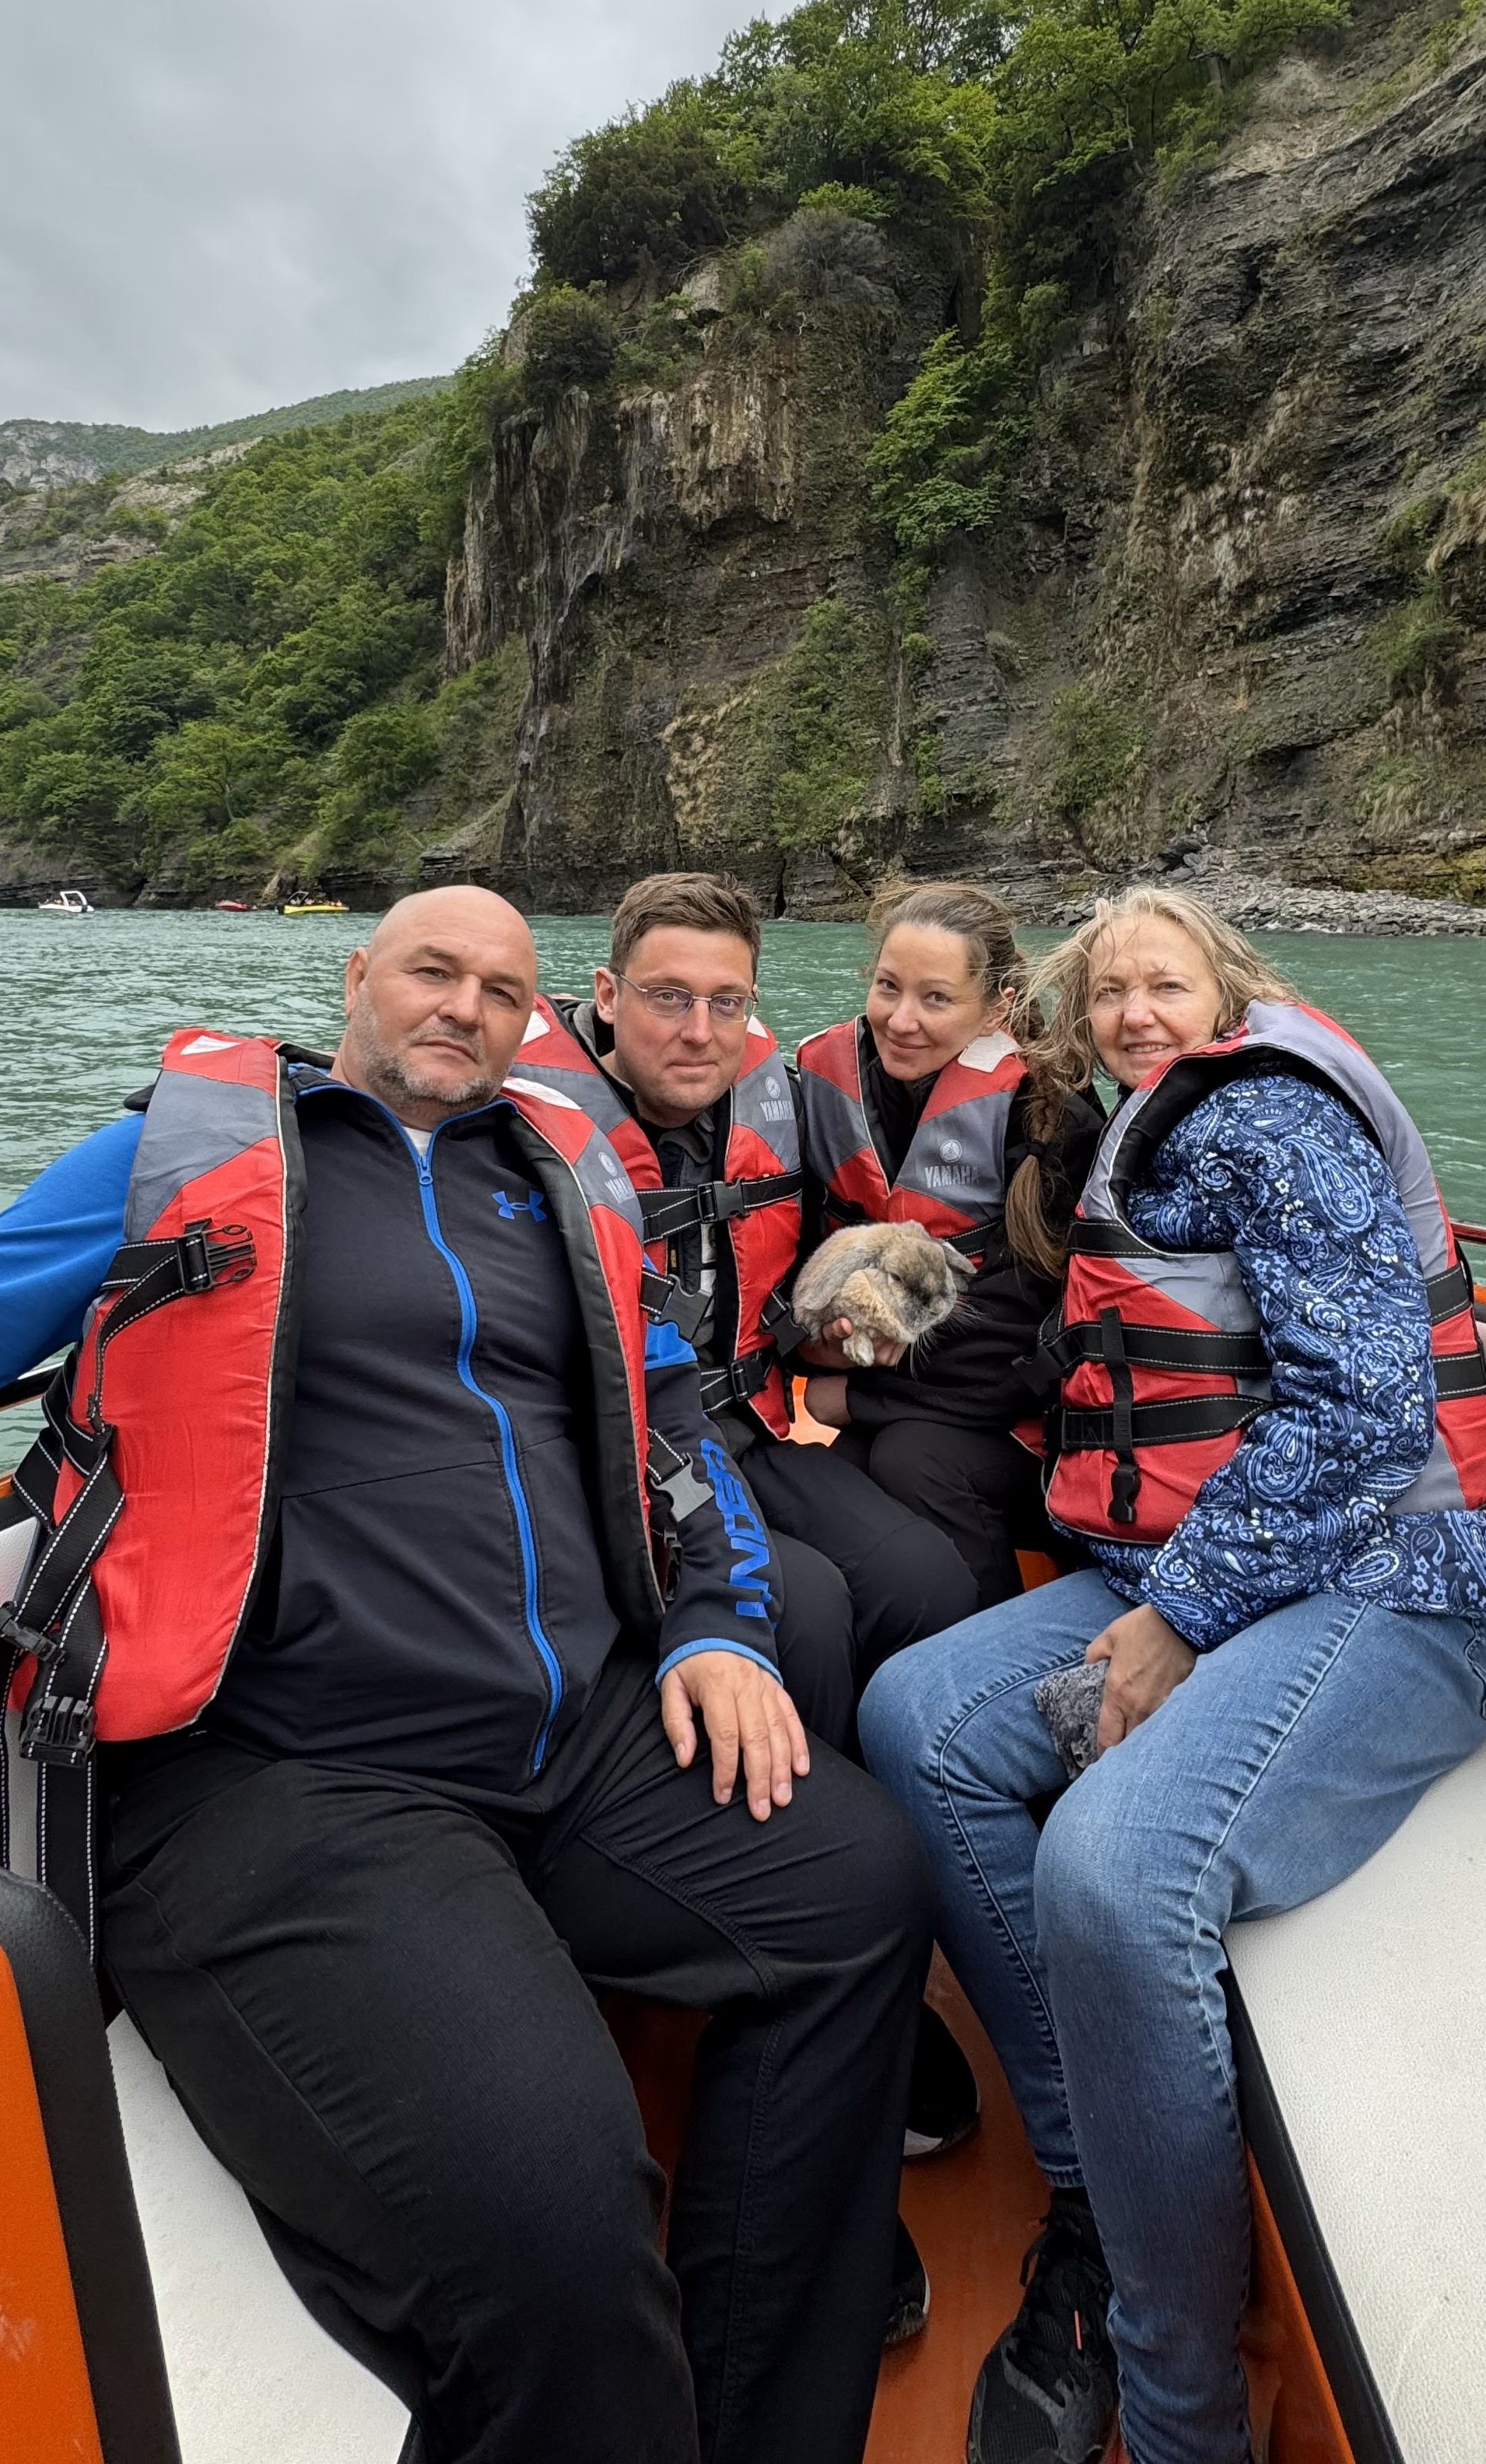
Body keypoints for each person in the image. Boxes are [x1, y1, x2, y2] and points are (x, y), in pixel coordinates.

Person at [0, 888, 935, 2464]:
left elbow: (673, 1435)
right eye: (431, 970)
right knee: (556, 2218)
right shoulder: (183, 1154)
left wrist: (719, 1627)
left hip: (571, 1735)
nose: (463, 1005)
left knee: (855, 1888)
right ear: (356, 978)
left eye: (500, 989)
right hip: (287, 1769)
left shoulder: (559, 1179)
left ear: (534, 1020)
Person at [859, 886, 1486, 2464]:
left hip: (1397, 1585)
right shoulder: (1153, 1133)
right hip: (1220, 1567)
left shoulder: (1274, 1119)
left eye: (1163, 983)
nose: (1133, 1013)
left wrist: (1181, 1613)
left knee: (1109, 1870)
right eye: (1107, 994)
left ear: (1228, 990)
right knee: (917, 1720)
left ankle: (1179, 2409)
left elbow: (1365, 1411)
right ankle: (1102, 2202)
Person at [521, 869, 983, 2301]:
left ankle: (889, 1947)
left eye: (727, 1002)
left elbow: (894, 1163)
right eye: (669, 997)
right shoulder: (523, 1117)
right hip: (616, 1456)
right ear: (605, 995)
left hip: (749, 1414)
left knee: (927, 1577)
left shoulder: (777, 1098)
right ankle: (782, 1955)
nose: (700, 1028)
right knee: (810, 1606)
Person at [794, 879, 1102, 1611]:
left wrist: (855, 1396)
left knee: (911, 1458)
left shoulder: (1051, 1114)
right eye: (888, 987)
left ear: (996, 1008)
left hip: (1026, 1419)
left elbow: (1019, 1338)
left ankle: (998, 1651)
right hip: (907, 1389)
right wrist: (824, 1347)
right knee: (848, 1469)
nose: (901, 1020)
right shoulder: (823, 1087)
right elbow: (787, 1255)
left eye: (936, 998)